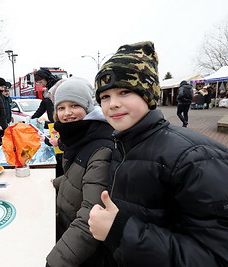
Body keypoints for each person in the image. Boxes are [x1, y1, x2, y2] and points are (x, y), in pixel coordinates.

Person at [89, 41, 228, 266]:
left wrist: (120, 231)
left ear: (149, 95)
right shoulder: (122, 144)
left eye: (125, 92)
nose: (113, 104)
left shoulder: (195, 157)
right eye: (105, 97)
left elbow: (217, 257)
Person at [46, 77, 114, 266]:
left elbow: (91, 216)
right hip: (66, 228)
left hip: (81, 251)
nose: (67, 113)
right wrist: (58, 182)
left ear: (88, 107)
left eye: (74, 105)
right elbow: (78, 177)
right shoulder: (79, 135)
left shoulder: (101, 148)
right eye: (61, 108)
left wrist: (56, 262)